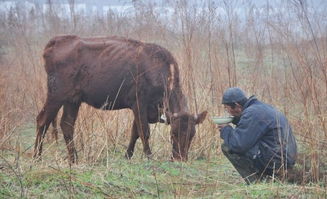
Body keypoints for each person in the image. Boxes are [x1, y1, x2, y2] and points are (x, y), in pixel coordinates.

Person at [218, 87, 297, 184]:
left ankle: (256, 182)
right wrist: (235, 120)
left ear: (236, 105)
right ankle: (274, 175)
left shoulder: (252, 113)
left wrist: (226, 129)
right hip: (286, 159)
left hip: (276, 162)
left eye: (227, 108)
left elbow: (238, 145)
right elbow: (254, 128)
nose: (227, 111)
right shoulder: (260, 108)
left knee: (228, 146)